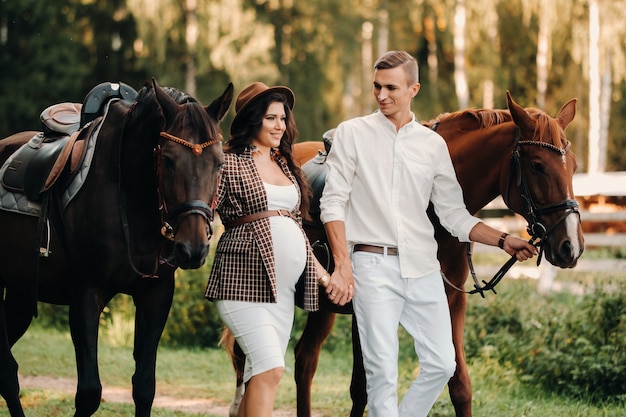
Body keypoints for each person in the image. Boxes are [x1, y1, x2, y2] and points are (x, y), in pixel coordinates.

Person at [319, 50, 537, 417]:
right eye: (377, 86)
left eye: (392, 87)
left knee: (442, 362)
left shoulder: (432, 145)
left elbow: (454, 215)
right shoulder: (352, 134)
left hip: (423, 267)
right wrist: (343, 265)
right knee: (382, 372)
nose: (382, 95)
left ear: (413, 88)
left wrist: (503, 240)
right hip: (372, 263)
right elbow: (333, 203)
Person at [205, 82, 330, 417]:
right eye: (271, 118)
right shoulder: (226, 162)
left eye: (283, 118)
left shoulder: (286, 164)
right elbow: (198, 205)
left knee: (259, 373)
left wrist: (320, 272)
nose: (280, 125)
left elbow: (295, 225)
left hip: (282, 290)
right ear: (252, 121)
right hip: (241, 281)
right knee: (272, 368)